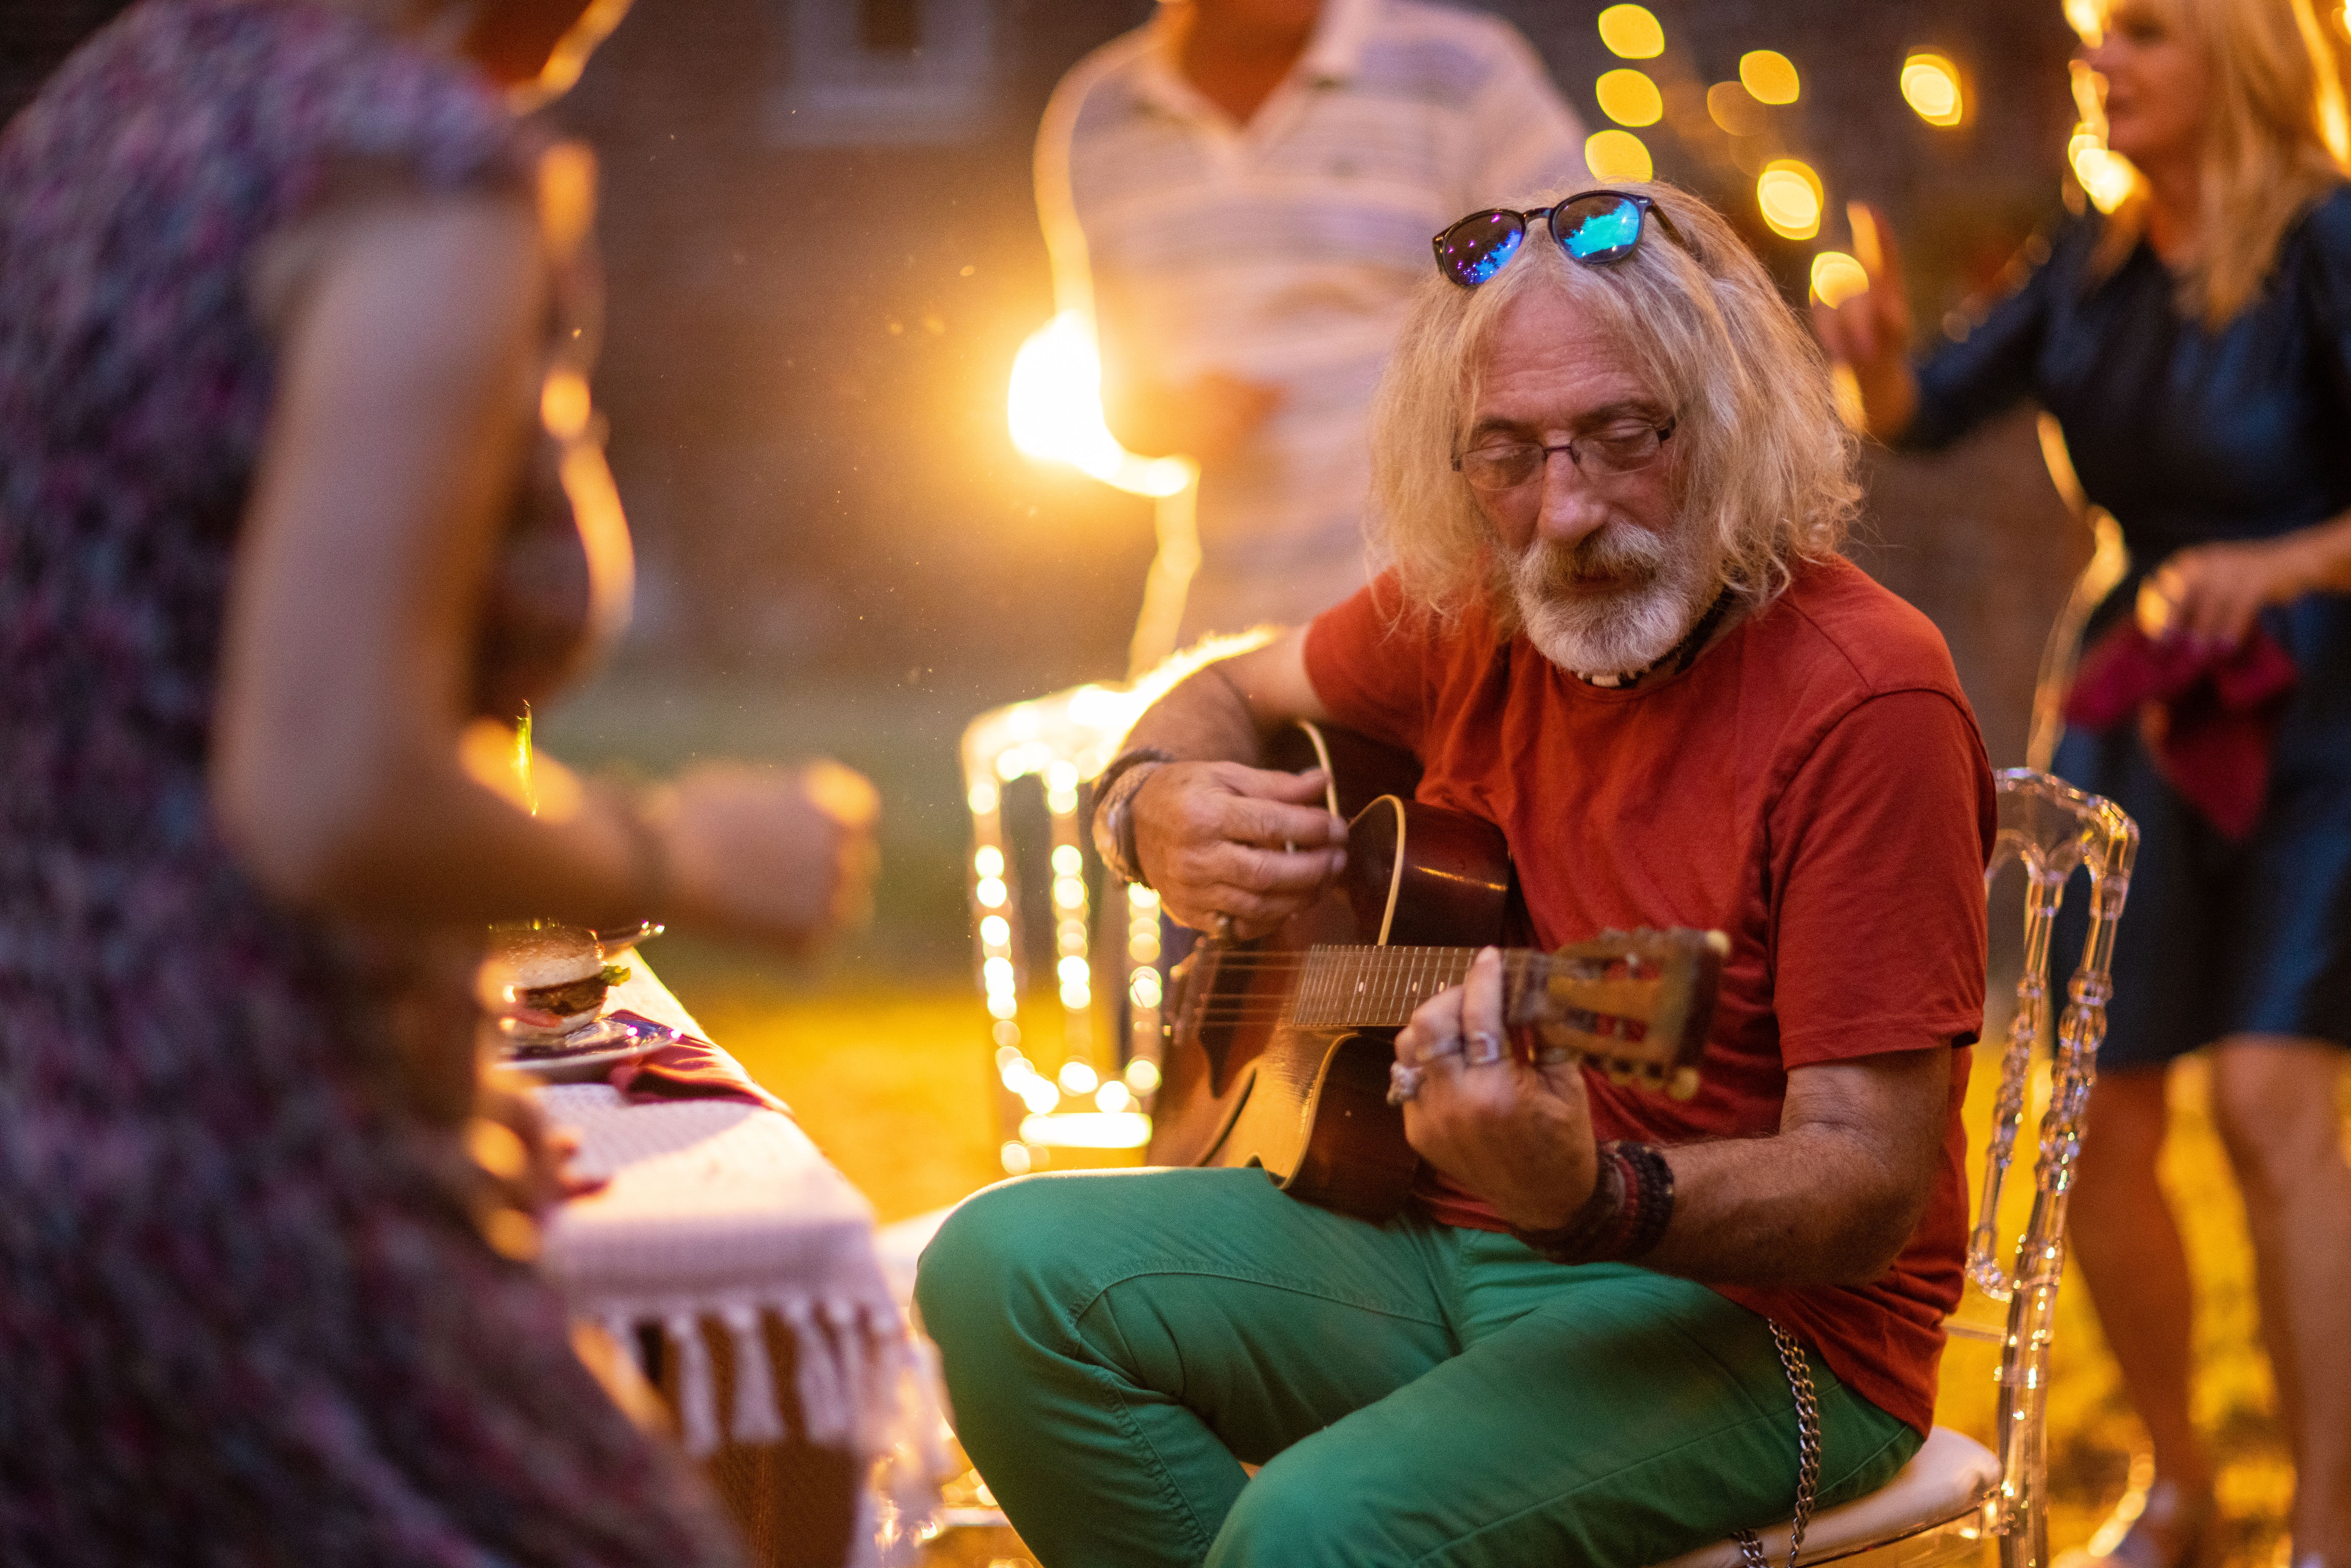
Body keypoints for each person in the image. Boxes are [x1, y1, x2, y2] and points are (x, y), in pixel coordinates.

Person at [915, 182, 1995, 1568]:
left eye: (1619, 436)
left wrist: (1595, 1196)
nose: (1560, 512)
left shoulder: (1866, 695)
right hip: (1420, 1236)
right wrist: (1149, 806)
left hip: (1758, 1328)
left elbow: (1865, 1184)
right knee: (995, 1280)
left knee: (1309, 1532)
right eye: (1502, 454)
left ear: (1724, 421)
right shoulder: (1468, 609)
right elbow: (1228, 686)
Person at [0, 0, 878, 1559]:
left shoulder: (109, 108)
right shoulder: (418, 174)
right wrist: (680, 856)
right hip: (245, 1185)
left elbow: (135, 704)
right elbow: (325, 783)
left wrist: (438, 1075)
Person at [1814, 0, 2351, 1561]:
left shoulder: (2324, 237)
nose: (2094, 61)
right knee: (2090, 1112)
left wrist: (2277, 563)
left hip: (2316, 720)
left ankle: (2324, 1528)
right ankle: (2181, 1481)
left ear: (2238, 58)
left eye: (2139, 33)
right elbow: (1927, 416)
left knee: (2266, 1103)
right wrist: (1873, 369)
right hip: (2130, 710)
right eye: (2092, 36)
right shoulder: (2089, 258)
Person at [1041, 0, 1590, 640]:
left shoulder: (1459, 69)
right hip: (1228, 634)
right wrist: (1174, 421)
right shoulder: (1099, 114)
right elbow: (1120, 405)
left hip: (1446, 624)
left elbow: (1590, 300)